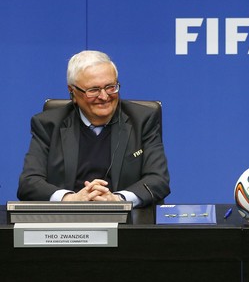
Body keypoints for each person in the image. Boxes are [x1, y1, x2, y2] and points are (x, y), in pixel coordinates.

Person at [17, 50, 170, 207]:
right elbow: (29, 183)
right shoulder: (49, 124)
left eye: (111, 87)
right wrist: (70, 199)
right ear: (73, 92)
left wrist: (118, 200)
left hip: (127, 224)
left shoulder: (142, 120)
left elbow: (158, 180)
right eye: (94, 90)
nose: (104, 96)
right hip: (66, 223)